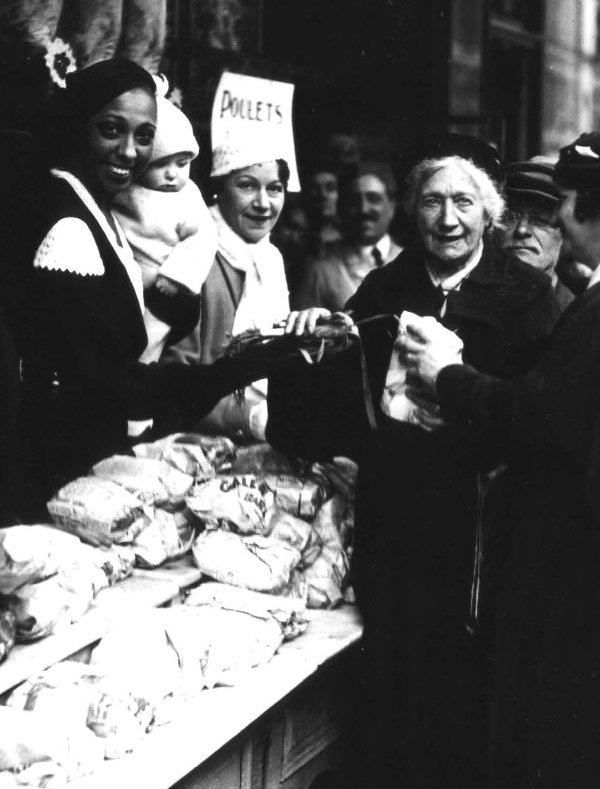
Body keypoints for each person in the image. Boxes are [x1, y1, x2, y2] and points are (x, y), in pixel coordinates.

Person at [270, 135, 562, 789]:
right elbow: (334, 394)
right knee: (393, 675)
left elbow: (542, 418)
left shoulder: (526, 296)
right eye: (432, 202)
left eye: (463, 202)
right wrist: (309, 351)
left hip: (478, 519)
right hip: (394, 515)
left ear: (489, 214)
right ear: (414, 211)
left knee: (464, 680)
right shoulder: (386, 285)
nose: (448, 219)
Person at [400, 131, 600, 789]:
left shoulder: (564, 304)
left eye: (563, 203)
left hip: (561, 565)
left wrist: (448, 375)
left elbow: (540, 418)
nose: (554, 221)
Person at [11, 58, 265, 523]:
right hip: (56, 484)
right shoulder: (69, 228)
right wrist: (238, 368)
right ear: (76, 126)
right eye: (111, 130)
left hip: (84, 472)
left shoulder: (102, 214)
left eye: (144, 136)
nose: (129, 151)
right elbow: (105, 386)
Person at [161, 144, 292, 443]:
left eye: (275, 189)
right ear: (219, 188)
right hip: (195, 436)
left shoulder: (270, 258)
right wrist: (255, 418)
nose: (263, 203)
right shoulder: (196, 255)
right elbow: (175, 385)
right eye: (247, 186)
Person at [112, 77, 217, 364]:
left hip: (165, 285)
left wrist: (176, 277)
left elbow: (203, 238)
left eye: (182, 164)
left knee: (148, 350)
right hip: (129, 283)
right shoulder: (126, 189)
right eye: (161, 164)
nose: (173, 174)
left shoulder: (187, 196)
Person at [293, 161, 402, 310]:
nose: (364, 209)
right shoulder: (321, 272)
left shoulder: (414, 265)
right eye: (354, 201)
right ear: (343, 208)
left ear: (391, 207)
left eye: (373, 199)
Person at [500, 160, 574, 309]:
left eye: (540, 221)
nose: (521, 230)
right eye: (510, 217)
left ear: (565, 235)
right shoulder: (462, 305)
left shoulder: (582, 317)